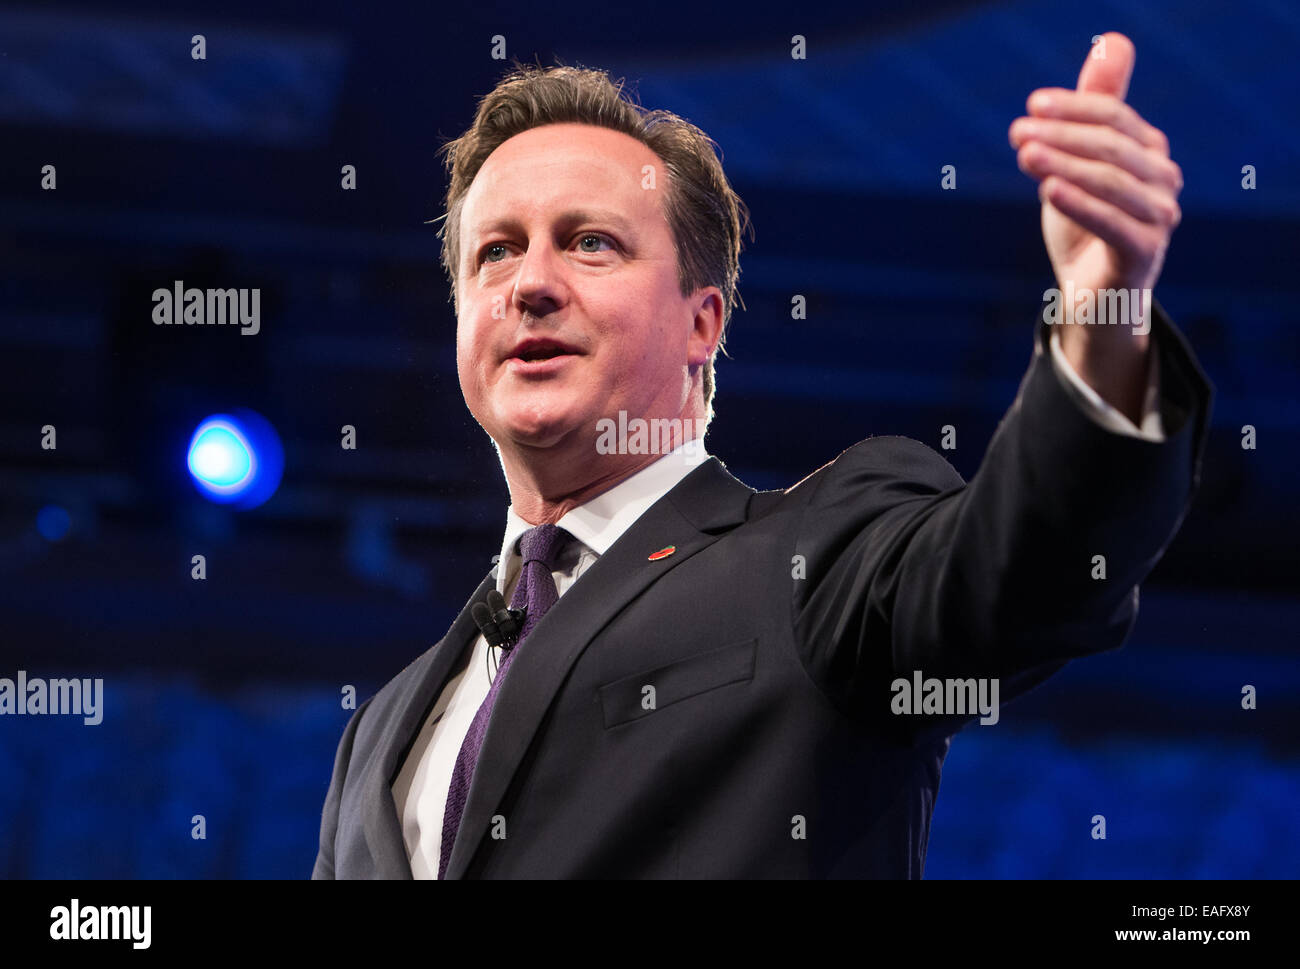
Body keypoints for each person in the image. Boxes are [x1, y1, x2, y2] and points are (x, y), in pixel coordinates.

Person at [313, 32, 1211, 878]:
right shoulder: (381, 730)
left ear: (702, 323)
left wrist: (1101, 313)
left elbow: (1026, 573)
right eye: (495, 253)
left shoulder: (820, 554)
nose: (532, 284)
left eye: (591, 243)